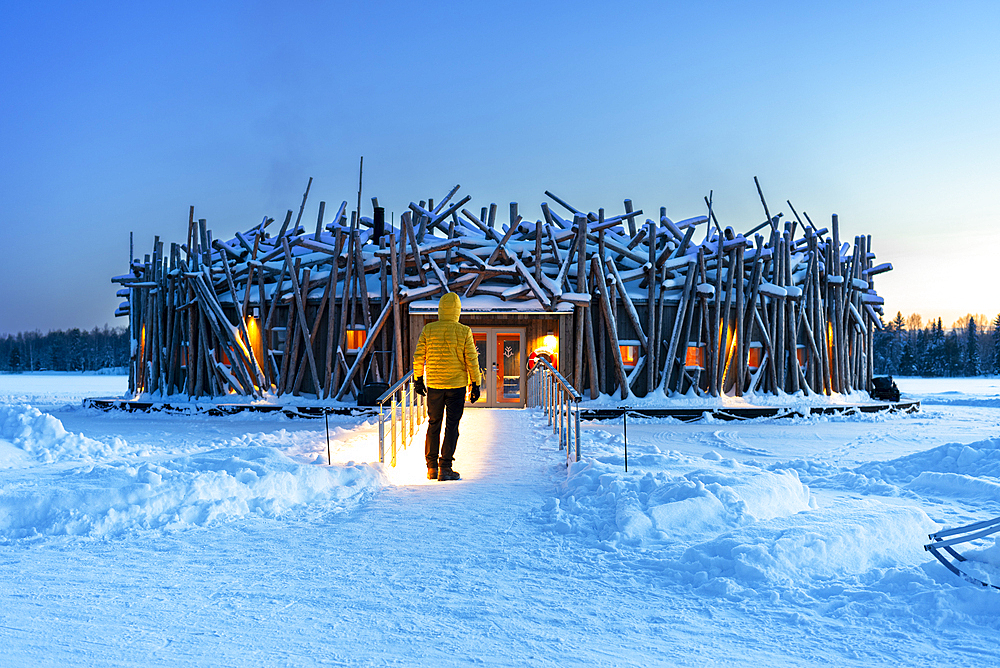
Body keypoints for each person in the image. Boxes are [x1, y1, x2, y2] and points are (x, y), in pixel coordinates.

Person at [412, 292, 481, 481]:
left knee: (433, 424)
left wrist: (418, 379)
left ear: (440, 309)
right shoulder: (464, 330)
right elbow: (471, 360)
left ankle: (431, 467)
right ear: (457, 310)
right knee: (452, 426)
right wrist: (475, 384)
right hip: (457, 386)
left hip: (434, 384)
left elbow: (419, 356)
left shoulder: (428, 329)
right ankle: (446, 467)